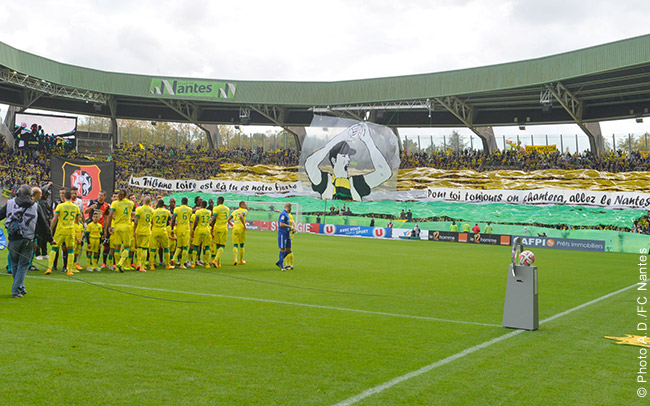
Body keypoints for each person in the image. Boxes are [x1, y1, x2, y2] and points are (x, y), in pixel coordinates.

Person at [304, 122, 390, 201]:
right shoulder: (324, 180)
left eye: (348, 156)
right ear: (334, 160)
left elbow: (385, 173)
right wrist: (339, 138)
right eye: (344, 156)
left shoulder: (357, 183)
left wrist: (368, 141)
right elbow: (310, 163)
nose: (348, 159)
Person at [0, 184, 53, 297]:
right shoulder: (36, 206)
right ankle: (17, 290)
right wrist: (50, 239)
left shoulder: (10, 203)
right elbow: (44, 225)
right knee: (23, 265)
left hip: (13, 238)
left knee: (14, 264)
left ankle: (20, 287)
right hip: (28, 239)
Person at [46, 189, 79, 276]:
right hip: (70, 230)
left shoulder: (60, 206)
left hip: (60, 229)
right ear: (71, 197)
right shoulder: (76, 207)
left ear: (64, 197)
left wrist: (50, 229)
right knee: (70, 250)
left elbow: (55, 218)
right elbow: (77, 221)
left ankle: (49, 268)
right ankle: (69, 270)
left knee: (54, 248)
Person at [103, 189, 134, 272]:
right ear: (126, 195)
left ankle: (117, 267)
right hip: (126, 226)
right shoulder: (130, 203)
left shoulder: (114, 203)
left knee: (117, 247)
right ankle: (120, 263)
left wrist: (108, 226)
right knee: (127, 247)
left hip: (117, 226)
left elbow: (110, 215)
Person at [150, 199, 173, 270]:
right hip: (163, 230)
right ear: (163, 205)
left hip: (155, 230)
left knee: (153, 248)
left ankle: (152, 265)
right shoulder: (167, 211)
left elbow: (151, 221)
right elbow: (169, 220)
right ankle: (167, 264)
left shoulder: (153, 211)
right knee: (166, 248)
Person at [133, 196, 154, 272]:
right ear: (150, 202)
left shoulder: (139, 209)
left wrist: (134, 230)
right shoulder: (152, 210)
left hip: (139, 230)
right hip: (147, 231)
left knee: (138, 247)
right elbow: (152, 221)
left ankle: (138, 263)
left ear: (143, 201)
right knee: (144, 249)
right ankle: (142, 266)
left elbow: (135, 221)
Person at [171, 197, 193, 269]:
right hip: (186, 229)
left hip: (178, 229)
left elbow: (173, 219)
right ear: (187, 202)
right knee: (185, 247)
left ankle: (173, 259)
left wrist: (171, 229)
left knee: (179, 246)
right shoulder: (190, 209)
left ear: (181, 202)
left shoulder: (177, 209)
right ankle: (182, 264)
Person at [190, 201, 212, 268]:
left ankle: (193, 263)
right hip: (207, 229)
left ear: (201, 205)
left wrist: (193, 229)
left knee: (196, 246)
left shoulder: (198, 212)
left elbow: (196, 220)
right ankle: (207, 263)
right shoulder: (209, 212)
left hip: (199, 229)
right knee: (207, 246)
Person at [210, 196, 229, 268]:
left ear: (218, 201)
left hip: (217, 228)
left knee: (216, 244)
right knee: (222, 246)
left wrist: (211, 225)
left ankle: (216, 261)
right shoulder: (227, 209)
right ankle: (217, 261)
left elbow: (214, 217)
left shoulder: (216, 208)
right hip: (224, 228)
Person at [276, 203, 293, 271]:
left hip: (287, 233)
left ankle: (280, 262)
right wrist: (289, 226)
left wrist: (291, 229)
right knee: (282, 249)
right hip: (282, 233)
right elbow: (281, 224)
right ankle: (281, 265)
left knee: (288, 249)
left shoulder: (286, 214)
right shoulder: (283, 214)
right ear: (289, 207)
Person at [229, 201, 248, 265]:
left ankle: (235, 259)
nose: (246, 205)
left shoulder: (234, 211)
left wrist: (232, 225)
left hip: (235, 228)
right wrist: (244, 225)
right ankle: (241, 260)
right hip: (241, 228)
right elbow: (241, 216)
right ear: (242, 205)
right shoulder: (244, 210)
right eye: (245, 204)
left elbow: (228, 219)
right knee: (242, 245)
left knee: (235, 245)